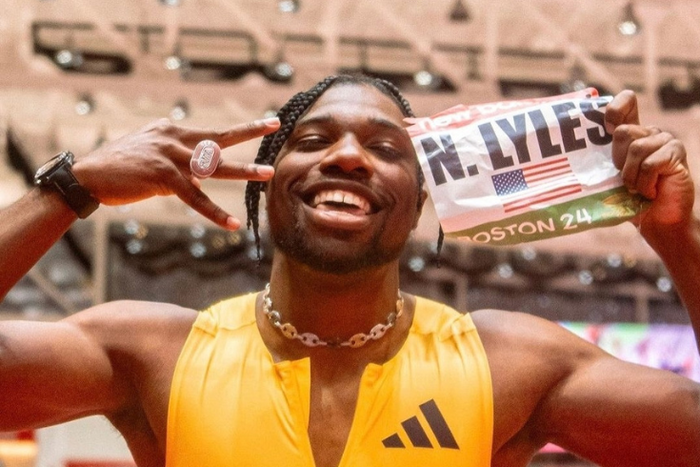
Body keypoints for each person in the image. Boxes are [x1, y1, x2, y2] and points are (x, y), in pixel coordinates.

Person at [0, 74, 699, 467]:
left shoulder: (510, 364)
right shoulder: (152, 352)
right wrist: (67, 189)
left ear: (419, 200)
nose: (347, 157)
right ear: (266, 181)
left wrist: (678, 235)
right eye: (312, 139)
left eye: (386, 148)